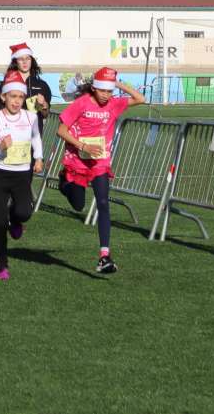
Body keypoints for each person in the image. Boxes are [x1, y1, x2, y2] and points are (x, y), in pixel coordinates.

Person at [56, 67, 146, 275]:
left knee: (103, 203)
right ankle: (64, 182)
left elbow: (140, 98)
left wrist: (118, 84)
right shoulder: (82, 103)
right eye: (103, 90)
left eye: (110, 91)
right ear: (94, 87)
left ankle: (104, 256)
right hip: (78, 161)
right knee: (78, 205)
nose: (107, 95)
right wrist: (83, 146)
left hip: (99, 163)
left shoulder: (114, 104)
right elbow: (61, 130)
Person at [0, 74, 44, 280]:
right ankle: (2, 266)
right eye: (12, 96)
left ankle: (15, 220)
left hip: (21, 176)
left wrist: (39, 158)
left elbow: (36, 138)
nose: (16, 101)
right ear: (3, 97)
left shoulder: (31, 117)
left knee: (25, 212)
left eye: (20, 97)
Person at [0, 43, 51, 137]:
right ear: (15, 62)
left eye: (28, 58)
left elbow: (45, 114)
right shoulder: (6, 84)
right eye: (21, 59)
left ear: (32, 61)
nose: (25, 62)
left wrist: (43, 105)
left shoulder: (42, 85)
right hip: (10, 137)